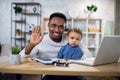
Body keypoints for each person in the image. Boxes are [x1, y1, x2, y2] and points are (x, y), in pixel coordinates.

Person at [20, 12, 92, 80]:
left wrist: (76, 63)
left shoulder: (71, 38)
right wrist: (31, 45)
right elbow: (21, 57)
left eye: (60, 27)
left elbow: (88, 55)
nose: (57, 30)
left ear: (64, 28)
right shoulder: (40, 40)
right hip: (50, 75)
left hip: (71, 73)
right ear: (48, 25)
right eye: (53, 25)